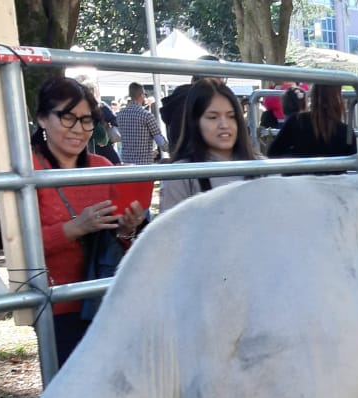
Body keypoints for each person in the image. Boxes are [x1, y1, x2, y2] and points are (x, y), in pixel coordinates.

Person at [31, 76, 146, 366]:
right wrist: (75, 228)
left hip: (106, 299)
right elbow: (18, 246)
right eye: (68, 118)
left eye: (86, 120)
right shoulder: (27, 171)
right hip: (56, 305)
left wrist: (128, 229)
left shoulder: (103, 167)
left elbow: (120, 241)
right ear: (42, 118)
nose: (79, 129)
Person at [159, 78, 257, 213]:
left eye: (231, 116)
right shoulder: (180, 177)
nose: (224, 125)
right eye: (213, 117)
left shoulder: (262, 167)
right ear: (195, 122)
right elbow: (171, 225)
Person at [267, 82, 355, 162]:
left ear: (313, 95)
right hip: (335, 175)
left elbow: (273, 153)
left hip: (300, 173)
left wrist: (299, 155)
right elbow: (353, 162)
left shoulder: (296, 121)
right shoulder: (346, 132)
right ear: (338, 98)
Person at [161, 57, 219, 152]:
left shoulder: (178, 99)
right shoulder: (202, 100)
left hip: (180, 158)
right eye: (220, 76)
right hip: (200, 158)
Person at [116, 82, 166, 167]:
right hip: (143, 164)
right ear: (142, 95)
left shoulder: (120, 114)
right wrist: (170, 149)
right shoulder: (146, 115)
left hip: (126, 162)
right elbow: (159, 140)